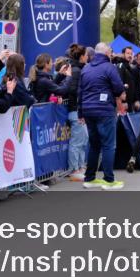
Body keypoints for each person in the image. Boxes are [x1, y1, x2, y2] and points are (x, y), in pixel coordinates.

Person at [78, 42, 126, 190]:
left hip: (88, 110)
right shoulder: (109, 67)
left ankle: (90, 178)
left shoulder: (86, 68)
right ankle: (108, 180)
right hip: (104, 110)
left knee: (94, 145)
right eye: (110, 52)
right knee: (108, 145)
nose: (111, 54)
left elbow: (80, 92)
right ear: (106, 53)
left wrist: (80, 112)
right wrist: (119, 93)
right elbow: (118, 88)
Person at [63, 45, 88, 181]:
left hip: (79, 110)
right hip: (76, 110)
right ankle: (74, 169)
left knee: (83, 139)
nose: (88, 57)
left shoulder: (78, 69)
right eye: (86, 55)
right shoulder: (77, 70)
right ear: (82, 56)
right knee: (77, 141)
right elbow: (73, 90)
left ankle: (80, 166)